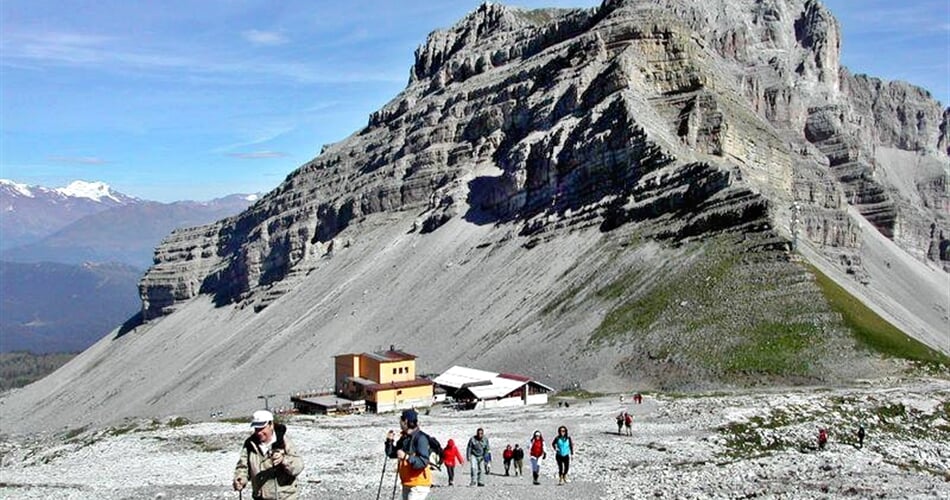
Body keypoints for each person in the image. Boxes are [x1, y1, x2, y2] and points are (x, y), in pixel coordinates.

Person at [233, 410, 304, 500]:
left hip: (285, 497)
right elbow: (243, 467)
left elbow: (298, 467)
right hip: (260, 497)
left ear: (271, 425)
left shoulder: (284, 442)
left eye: (262, 428)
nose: (258, 432)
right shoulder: (250, 444)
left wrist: (284, 460)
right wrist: (240, 478)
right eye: (256, 429)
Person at [385, 409, 432, 500]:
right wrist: (389, 442)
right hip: (407, 481)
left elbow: (424, 461)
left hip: (419, 483)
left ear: (405, 421)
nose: (400, 423)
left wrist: (406, 457)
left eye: (401, 420)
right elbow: (391, 454)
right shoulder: (405, 437)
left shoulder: (420, 438)